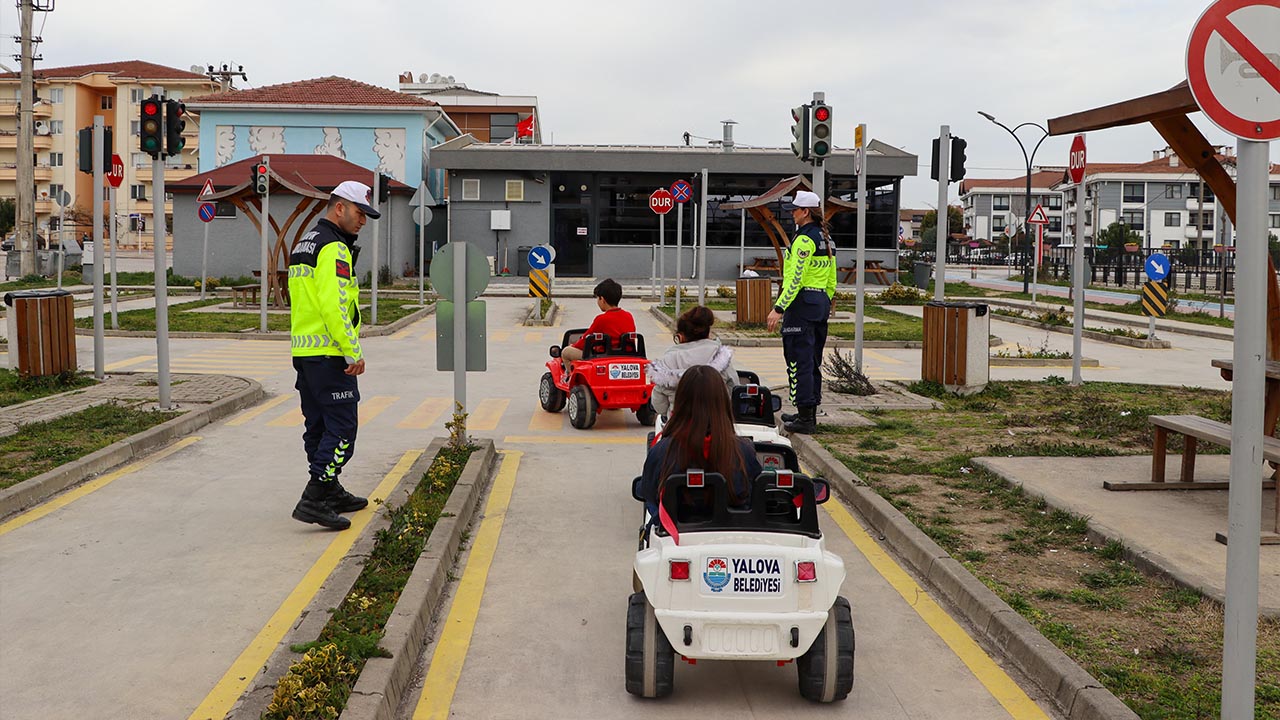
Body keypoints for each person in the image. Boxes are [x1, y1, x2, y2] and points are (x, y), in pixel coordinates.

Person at [287, 180, 380, 531]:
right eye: (359, 213)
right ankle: (315, 496)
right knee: (342, 429)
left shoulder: (304, 243)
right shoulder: (334, 248)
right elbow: (335, 305)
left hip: (305, 352)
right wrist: (352, 352)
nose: (363, 222)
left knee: (319, 425)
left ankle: (329, 491)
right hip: (330, 353)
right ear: (338, 208)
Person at [641, 366, 763, 515]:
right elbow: (757, 497)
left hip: (676, 536)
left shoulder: (661, 453)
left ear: (680, 402)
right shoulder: (744, 452)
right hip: (734, 535)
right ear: (723, 403)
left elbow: (649, 497)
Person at [766, 189, 836, 435]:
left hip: (801, 305)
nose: (792, 214)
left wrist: (778, 308)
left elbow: (794, 279)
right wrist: (824, 300)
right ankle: (806, 411)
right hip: (818, 305)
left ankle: (806, 419)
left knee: (798, 361)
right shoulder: (825, 238)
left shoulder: (804, 240)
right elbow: (832, 278)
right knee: (812, 361)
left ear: (806, 212)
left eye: (795, 210)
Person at [648, 305, 737, 417]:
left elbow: (659, 405)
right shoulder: (720, 358)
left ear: (680, 337)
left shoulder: (668, 363)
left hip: (678, 428)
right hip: (715, 426)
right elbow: (733, 389)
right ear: (708, 333)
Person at [560, 278, 634, 370]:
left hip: (602, 356)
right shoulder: (628, 316)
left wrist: (574, 346)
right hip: (626, 355)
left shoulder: (602, 319)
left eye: (597, 298)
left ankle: (569, 377)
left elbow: (585, 340)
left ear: (602, 299)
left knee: (566, 352)